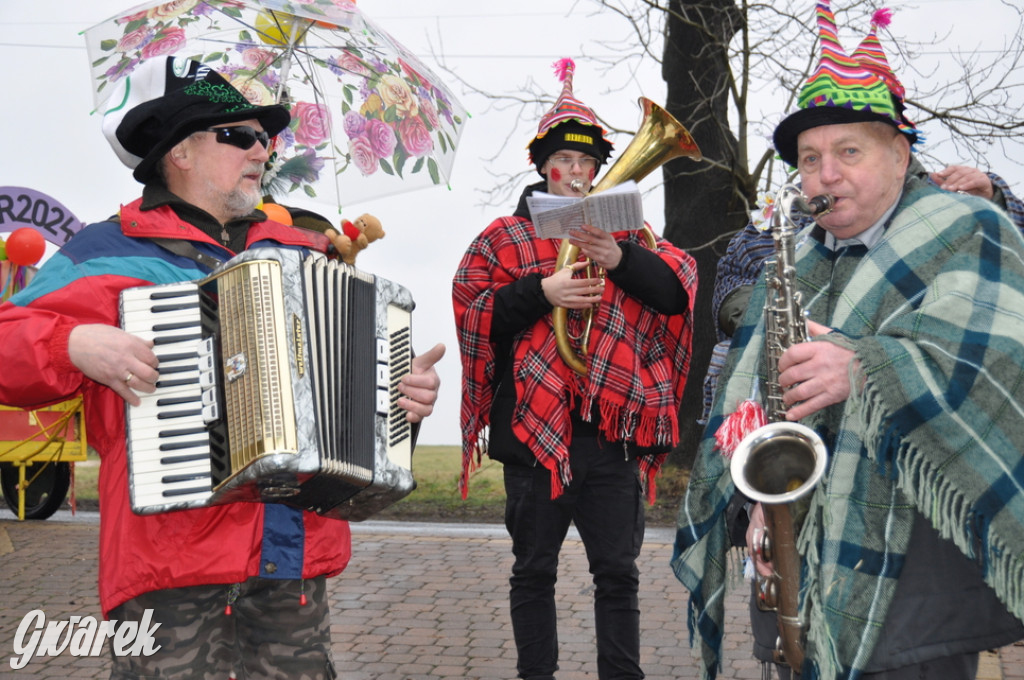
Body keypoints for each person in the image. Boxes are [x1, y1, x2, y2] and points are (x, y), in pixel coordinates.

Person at [0, 56, 444, 680]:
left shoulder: (303, 250)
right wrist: (73, 345)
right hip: (167, 557)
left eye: (267, 137)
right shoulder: (104, 253)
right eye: (240, 136)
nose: (262, 149)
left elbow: (353, 385)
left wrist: (403, 396)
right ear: (178, 151)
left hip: (291, 550)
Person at [672, 2, 1024, 679]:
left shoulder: (972, 228)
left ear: (900, 153)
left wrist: (864, 366)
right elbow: (753, 392)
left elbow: (1003, 368)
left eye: (848, 151)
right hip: (797, 566)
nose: (825, 175)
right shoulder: (794, 253)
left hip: (917, 585)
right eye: (810, 158)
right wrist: (757, 508)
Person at [453, 58, 697, 680]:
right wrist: (545, 292)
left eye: (589, 165)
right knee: (532, 571)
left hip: (612, 438)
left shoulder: (634, 235)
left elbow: (677, 296)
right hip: (533, 437)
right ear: (542, 167)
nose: (578, 173)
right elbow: (474, 312)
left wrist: (618, 258)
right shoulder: (501, 237)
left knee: (618, 575)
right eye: (564, 162)